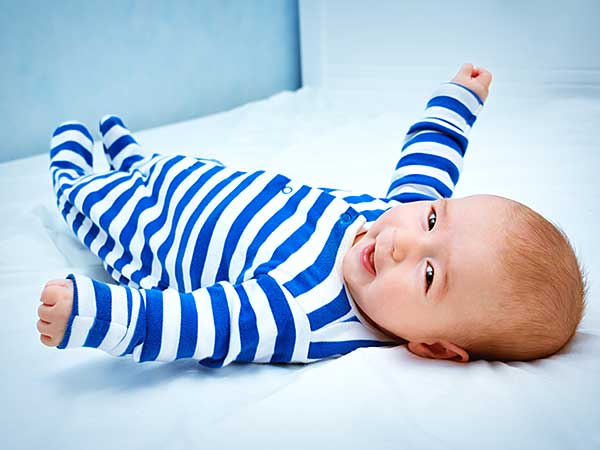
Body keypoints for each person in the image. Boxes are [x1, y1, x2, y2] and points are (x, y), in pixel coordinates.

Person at [36, 64, 586, 367]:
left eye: (428, 275)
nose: (404, 245)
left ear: (435, 347)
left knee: (89, 200)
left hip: (152, 234)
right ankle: (131, 153)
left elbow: (196, 325)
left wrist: (93, 312)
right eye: (434, 221)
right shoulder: (394, 218)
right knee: (156, 164)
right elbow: (428, 164)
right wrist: (458, 101)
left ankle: (69, 159)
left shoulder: (303, 314)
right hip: (202, 178)